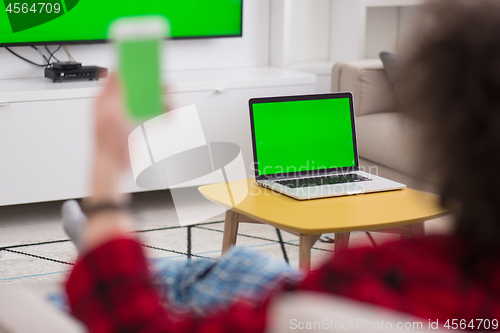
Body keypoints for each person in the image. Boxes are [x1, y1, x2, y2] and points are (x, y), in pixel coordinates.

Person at [65, 0, 500, 331]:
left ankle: (106, 251)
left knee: (231, 270)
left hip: (289, 296)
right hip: (293, 289)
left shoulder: (374, 284)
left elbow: (134, 322)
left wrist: (106, 179)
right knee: (249, 271)